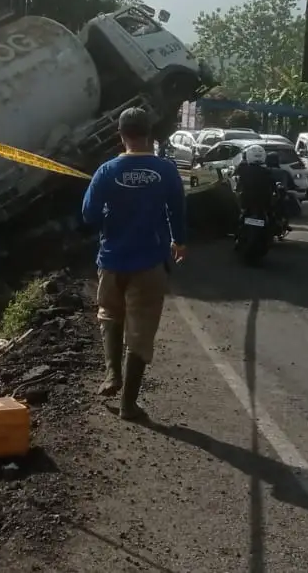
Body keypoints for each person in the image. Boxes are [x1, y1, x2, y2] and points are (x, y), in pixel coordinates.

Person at [82, 107, 187, 421]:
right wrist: (179, 241)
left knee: (109, 314)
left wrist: (109, 218)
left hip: (112, 260)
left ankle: (111, 374)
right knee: (141, 331)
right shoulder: (166, 170)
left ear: (121, 135)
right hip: (149, 262)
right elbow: (177, 209)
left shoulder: (106, 171)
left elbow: (88, 215)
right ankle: (128, 405)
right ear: (150, 134)